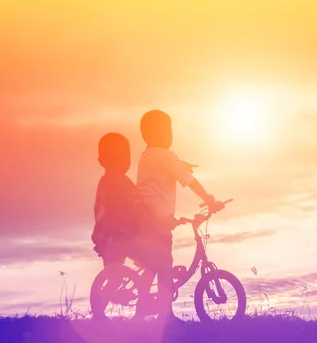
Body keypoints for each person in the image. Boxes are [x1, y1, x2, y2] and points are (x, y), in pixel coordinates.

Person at [136, 109, 224, 321]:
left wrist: (180, 164)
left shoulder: (147, 155)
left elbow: (165, 168)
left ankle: (141, 311)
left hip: (145, 217)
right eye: (167, 130)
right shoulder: (166, 155)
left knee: (150, 265)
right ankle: (165, 315)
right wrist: (209, 198)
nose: (170, 135)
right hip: (157, 219)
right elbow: (188, 181)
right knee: (164, 263)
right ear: (156, 133)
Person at [91, 132, 140, 269]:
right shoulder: (120, 181)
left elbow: (99, 210)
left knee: (112, 270)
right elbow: (136, 203)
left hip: (106, 234)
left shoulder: (105, 181)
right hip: (118, 234)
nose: (125, 161)